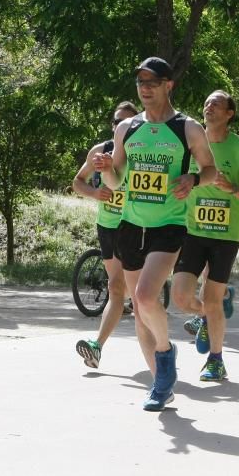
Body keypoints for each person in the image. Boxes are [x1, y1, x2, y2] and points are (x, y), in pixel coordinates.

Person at [93, 57, 216, 411]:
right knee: (141, 310)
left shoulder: (187, 128)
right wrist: (105, 171)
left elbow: (209, 170)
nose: (145, 89)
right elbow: (117, 180)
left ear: (168, 85)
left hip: (168, 225)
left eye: (152, 82)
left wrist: (192, 179)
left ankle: (165, 357)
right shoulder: (127, 128)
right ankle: (161, 384)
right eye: (140, 83)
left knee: (146, 297)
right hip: (130, 226)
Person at [171, 90, 239, 381]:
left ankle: (216, 360)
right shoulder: (192, 142)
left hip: (225, 235)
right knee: (181, 297)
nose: (209, 107)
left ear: (229, 114)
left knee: (211, 297)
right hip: (192, 230)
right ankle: (209, 316)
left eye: (217, 104)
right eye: (207, 102)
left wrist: (232, 188)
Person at [72, 101, 140, 368]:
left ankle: (161, 348)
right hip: (108, 227)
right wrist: (94, 192)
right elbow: (77, 181)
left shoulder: (142, 154)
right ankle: (97, 347)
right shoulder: (100, 152)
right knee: (115, 287)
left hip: (135, 226)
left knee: (137, 295)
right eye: (116, 122)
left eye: (128, 122)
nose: (120, 126)